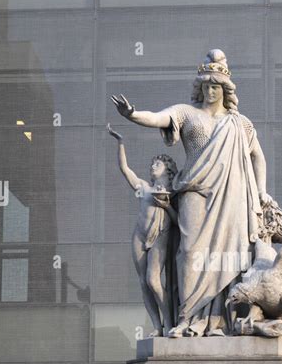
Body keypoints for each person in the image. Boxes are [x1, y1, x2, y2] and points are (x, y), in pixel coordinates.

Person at [111, 48, 271, 337]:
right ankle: (187, 318)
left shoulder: (240, 123)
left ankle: (221, 321)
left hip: (231, 195)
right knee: (190, 252)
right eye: (205, 85)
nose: (210, 90)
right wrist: (133, 115)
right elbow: (158, 118)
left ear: (225, 89)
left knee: (230, 255)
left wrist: (261, 192)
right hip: (194, 191)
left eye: (215, 86)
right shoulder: (186, 113)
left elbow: (258, 156)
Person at [107, 124, 178, 337]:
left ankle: (169, 322)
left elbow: (179, 221)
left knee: (153, 280)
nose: (153, 166)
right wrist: (120, 143)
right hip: (139, 235)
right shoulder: (144, 187)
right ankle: (157, 326)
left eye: (157, 163)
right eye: (153, 164)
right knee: (143, 283)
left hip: (160, 237)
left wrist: (167, 206)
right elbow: (125, 169)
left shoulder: (174, 192)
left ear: (167, 169)